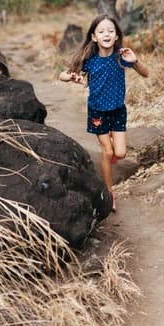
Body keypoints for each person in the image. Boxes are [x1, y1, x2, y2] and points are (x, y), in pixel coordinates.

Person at [59, 14, 148, 211]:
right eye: (101, 31)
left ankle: (112, 146)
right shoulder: (89, 60)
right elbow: (62, 74)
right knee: (107, 153)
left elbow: (146, 73)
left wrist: (135, 61)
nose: (106, 34)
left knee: (121, 153)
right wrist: (71, 77)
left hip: (117, 111)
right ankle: (109, 192)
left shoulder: (121, 57)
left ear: (116, 36)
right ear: (93, 37)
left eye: (110, 31)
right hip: (98, 112)